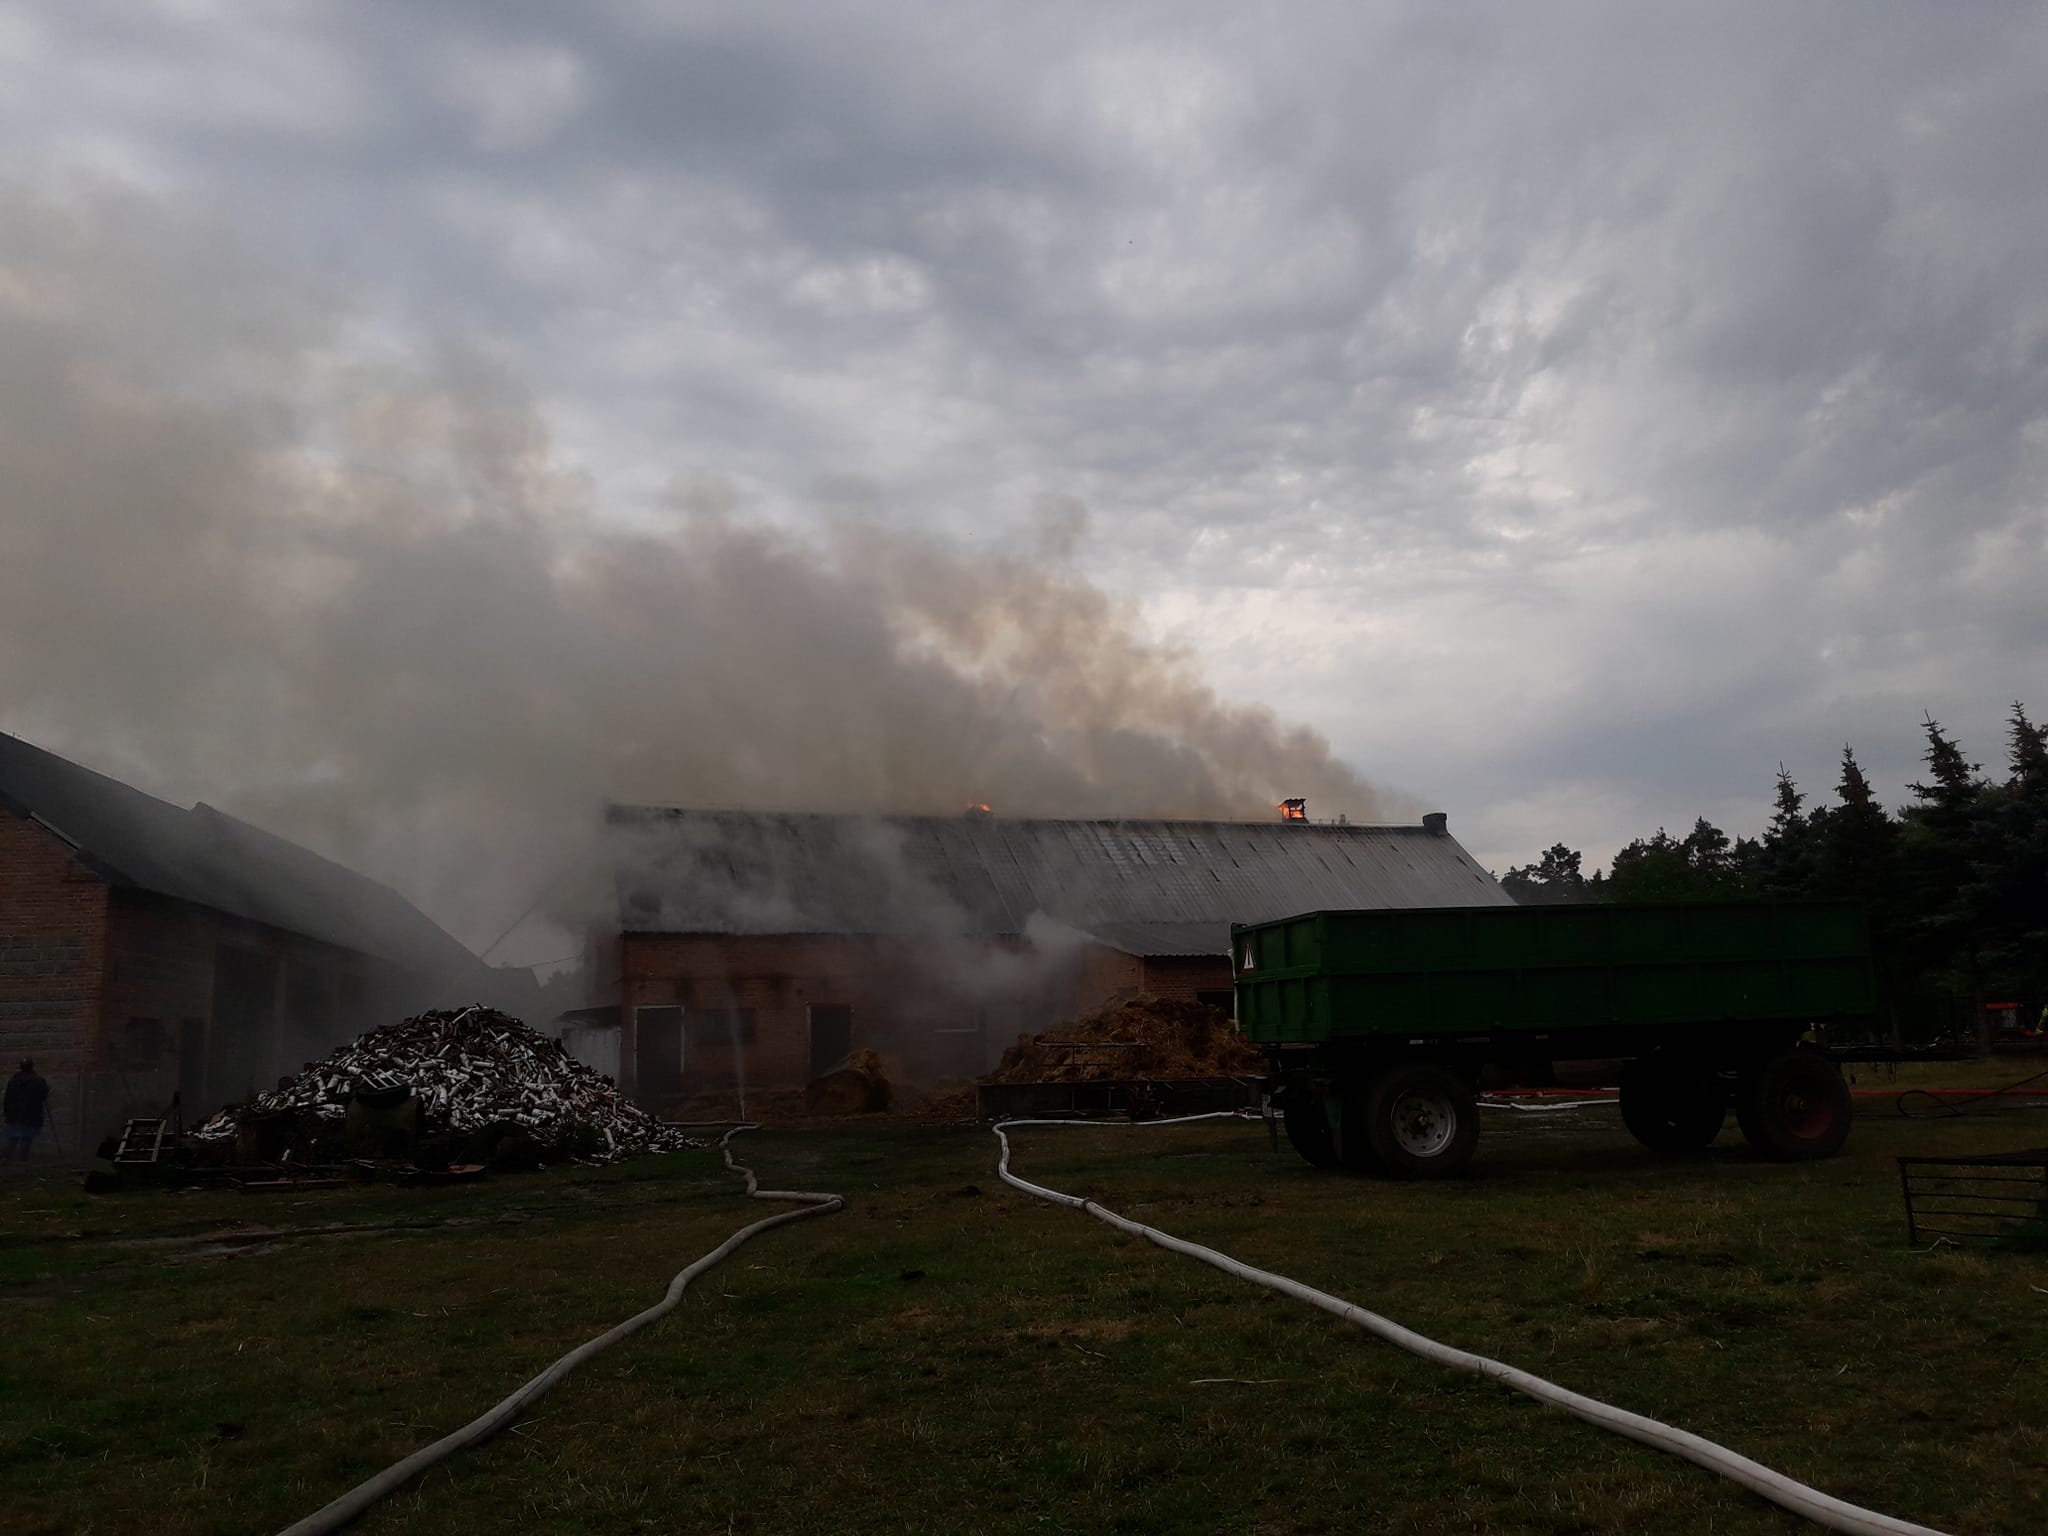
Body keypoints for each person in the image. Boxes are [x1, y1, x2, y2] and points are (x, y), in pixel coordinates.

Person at [4, 1059, 49, 1160]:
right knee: (26, 1137)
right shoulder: (38, 1080)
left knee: (13, 1137)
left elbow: (7, 1098)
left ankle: (8, 1158)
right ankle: (21, 1160)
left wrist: (7, 1112)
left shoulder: (13, 1080)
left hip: (14, 1114)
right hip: (31, 1114)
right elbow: (43, 1095)